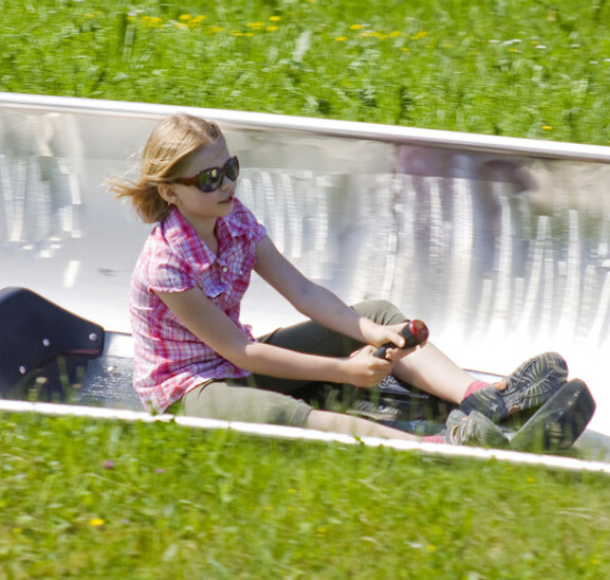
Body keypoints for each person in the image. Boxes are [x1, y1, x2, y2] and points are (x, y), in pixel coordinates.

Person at [110, 113, 569, 446]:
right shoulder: (165, 263)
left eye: (230, 169)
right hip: (188, 393)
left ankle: (485, 400)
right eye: (209, 179)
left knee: (377, 312)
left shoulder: (235, 220)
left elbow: (303, 292)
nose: (226, 184)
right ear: (170, 191)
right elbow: (239, 349)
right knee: (280, 414)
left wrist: (369, 332)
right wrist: (346, 370)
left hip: (235, 367)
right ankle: (432, 449)